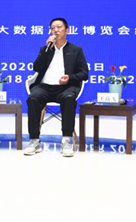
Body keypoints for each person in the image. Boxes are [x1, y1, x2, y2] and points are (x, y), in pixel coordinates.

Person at [24, 18, 88, 157]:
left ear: (67, 30)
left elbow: (84, 73)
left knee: (69, 98)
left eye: (59, 27)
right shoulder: (46, 49)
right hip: (44, 87)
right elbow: (36, 67)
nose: (55, 30)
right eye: (53, 28)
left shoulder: (76, 50)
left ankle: (66, 141)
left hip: (65, 87)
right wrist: (46, 50)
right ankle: (34, 141)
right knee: (33, 98)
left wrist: (70, 77)